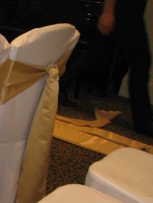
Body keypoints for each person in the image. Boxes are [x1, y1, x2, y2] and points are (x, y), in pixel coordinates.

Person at [59, 0, 153, 136]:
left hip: (130, 11)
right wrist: (108, 12)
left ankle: (59, 86)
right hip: (126, 11)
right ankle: (142, 121)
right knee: (140, 65)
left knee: (96, 53)